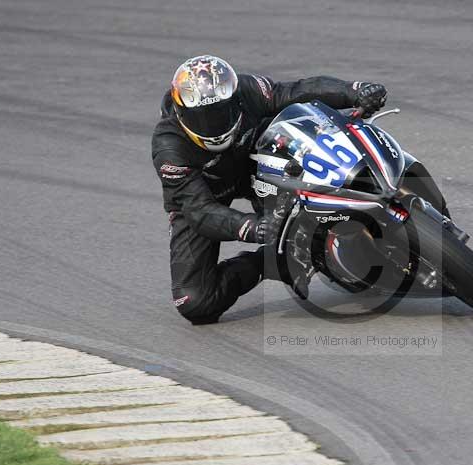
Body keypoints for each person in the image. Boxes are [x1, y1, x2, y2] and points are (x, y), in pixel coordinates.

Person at [151, 55, 387, 325]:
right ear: (182, 113)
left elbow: (296, 91)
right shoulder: (169, 145)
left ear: (234, 98)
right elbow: (198, 210)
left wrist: (354, 91)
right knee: (195, 301)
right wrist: (249, 227)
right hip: (204, 193)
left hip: (254, 162)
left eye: (220, 112)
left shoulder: (246, 90)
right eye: (203, 117)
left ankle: (359, 193)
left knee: (301, 131)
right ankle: (271, 262)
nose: (213, 124)